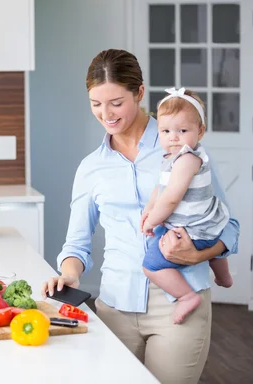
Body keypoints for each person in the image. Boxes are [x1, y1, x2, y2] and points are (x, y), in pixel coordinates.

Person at [41, 49, 239, 384]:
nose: (106, 114)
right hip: (115, 305)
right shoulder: (91, 168)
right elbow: (76, 243)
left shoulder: (181, 147)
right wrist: (69, 274)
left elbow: (228, 225)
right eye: (96, 104)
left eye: (116, 102)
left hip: (179, 304)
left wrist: (200, 254)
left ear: (139, 93)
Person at [140, 87, 233, 325]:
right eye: (166, 131)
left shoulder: (187, 159)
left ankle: (186, 296)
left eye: (182, 130)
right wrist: (150, 208)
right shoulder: (174, 158)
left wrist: (151, 221)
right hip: (208, 225)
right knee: (213, 239)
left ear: (200, 131)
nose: (173, 137)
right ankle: (224, 276)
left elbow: (171, 198)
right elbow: (159, 191)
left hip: (193, 230)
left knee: (151, 265)